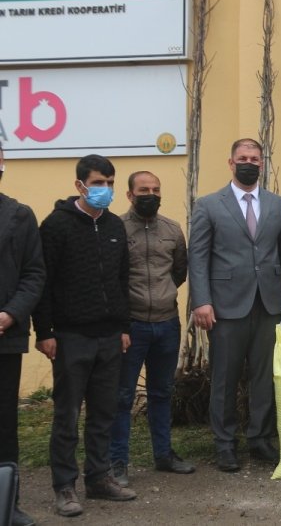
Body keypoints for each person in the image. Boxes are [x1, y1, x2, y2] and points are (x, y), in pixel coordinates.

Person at [189, 139, 281, 472]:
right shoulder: (209, 205)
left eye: (255, 158)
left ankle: (260, 438)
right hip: (224, 306)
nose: (249, 163)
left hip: (268, 303)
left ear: (262, 163)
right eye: (243, 158)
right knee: (224, 376)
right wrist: (202, 301)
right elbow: (198, 258)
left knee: (264, 375)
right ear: (231, 162)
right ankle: (225, 444)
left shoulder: (277, 204)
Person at [33, 154, 136, 517]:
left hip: (109, 336)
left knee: (103, 413)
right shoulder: (56, 226)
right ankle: (64, 486)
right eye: (97, 183)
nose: (104, 190)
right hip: (70, 336)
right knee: (66, 415)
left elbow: (122, 280)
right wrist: (44, 332)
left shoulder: (113, 226)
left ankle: (99, 477)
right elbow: (42, 283)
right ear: (79, 185)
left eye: (109, 183)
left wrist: (123, 327)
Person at [109, 171, 194, 488]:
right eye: (144, 190)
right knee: (122, 396)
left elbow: (179, 272)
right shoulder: (116, 228)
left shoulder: (172, 229)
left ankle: (164, 455)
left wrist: (162, 295)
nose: (151, 194)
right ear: (130, 195)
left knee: (162, 393)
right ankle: (117, 461)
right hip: (130, 326)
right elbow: (112, 277)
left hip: (166, 324)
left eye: (156, 189)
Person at [0, 142, 46, 526]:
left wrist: (10, 314)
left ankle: (7, 504)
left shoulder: (19, 215)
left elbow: (34, 273)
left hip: (4, 337)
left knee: (3, 424)